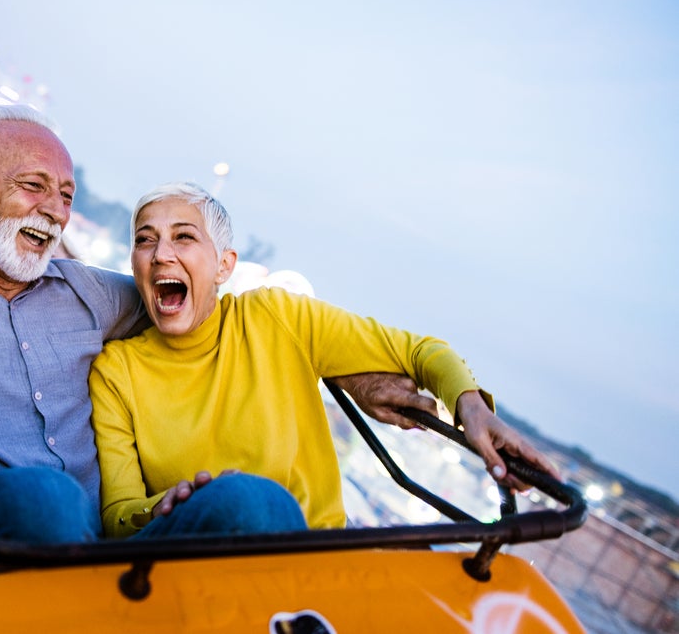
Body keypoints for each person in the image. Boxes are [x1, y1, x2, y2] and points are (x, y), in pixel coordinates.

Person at [0, 104, 448, 630]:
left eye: (66, 196)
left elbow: (202, 303)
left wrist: (350, 371)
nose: (56, 211)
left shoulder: (92, 295)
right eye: (35, 186)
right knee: (45, 499)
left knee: (255, 506)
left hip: (104, 563)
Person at [89, 182, 559, 540]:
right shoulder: (116, 371)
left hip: (317, 557)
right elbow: (118, 517)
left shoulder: (276, 317)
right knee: (244, 502)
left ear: (224, 267)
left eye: (183, 237)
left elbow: (420, 352)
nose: (160, 254)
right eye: (145, 240)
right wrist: (167, 507)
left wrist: (472, 410)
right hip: (191, 566)